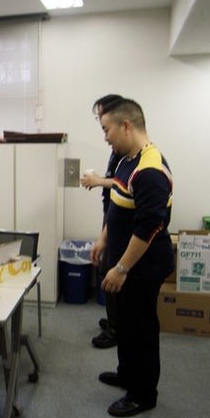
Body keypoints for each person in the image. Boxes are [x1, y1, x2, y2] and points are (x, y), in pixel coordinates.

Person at [90, 98, 173, 417]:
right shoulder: (127, 159)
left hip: (142, 267)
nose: (105, 137)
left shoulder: (150, 169)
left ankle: (143, 394)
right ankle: (127, 374)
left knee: (142, 329)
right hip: (122, 259)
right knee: (125, 323)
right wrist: (103, 240)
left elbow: (149, 227)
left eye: (106, 129)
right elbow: (118, 204)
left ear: (126, 126)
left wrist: (122, 268)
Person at [80, 94, 123, 349]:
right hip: (111, 215)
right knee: (106, 268)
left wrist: (98, 181)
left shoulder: (136, 155)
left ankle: (116, 328)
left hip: (119, 223)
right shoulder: (117, 149)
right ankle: (114, 321)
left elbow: (126, 184)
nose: (104, 134)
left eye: (103, 122)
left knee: (111, 271)